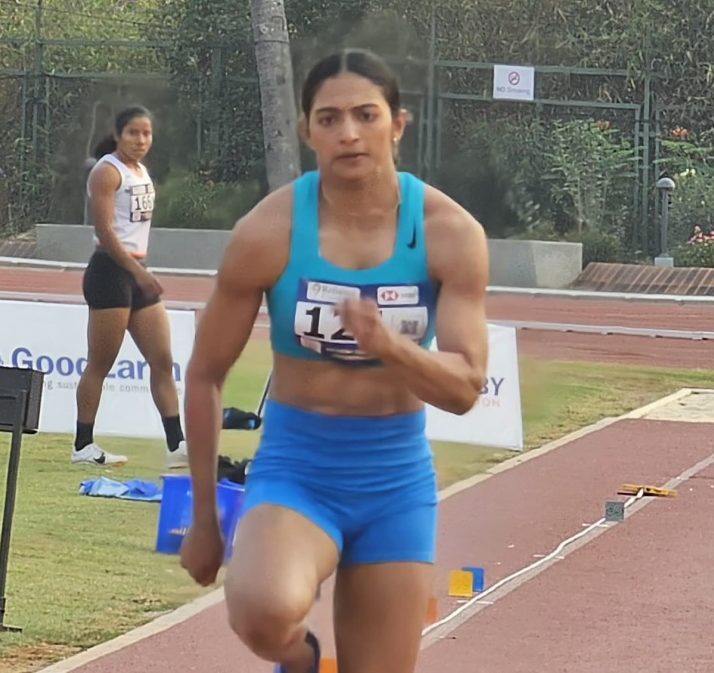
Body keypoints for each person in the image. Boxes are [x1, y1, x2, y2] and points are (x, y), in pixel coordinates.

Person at [178, 49, 490, 673]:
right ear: (307, 131)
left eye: (365, 115)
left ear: (397, 124)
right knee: (262, 609)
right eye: (329, 118)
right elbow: (206, 373)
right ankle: (301, 660)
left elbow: (464, 389)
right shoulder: (268, 232)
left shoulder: (450, 233)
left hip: (394, 479)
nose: (348, 133)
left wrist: (390, 345)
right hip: (298, 469)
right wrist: (204, 516)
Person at [71, 106, 189, 470]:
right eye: (133, 133)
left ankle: (177, 444)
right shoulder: (107, 171)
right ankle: (83, 444)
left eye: (146, 134)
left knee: (162, 360)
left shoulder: (141, 171)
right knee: (101, 363)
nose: (141, 140)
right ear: (118, 135)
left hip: (138, 271)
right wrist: (136, 271)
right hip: (111, 271)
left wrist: (140, 271)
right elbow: (105, 231)